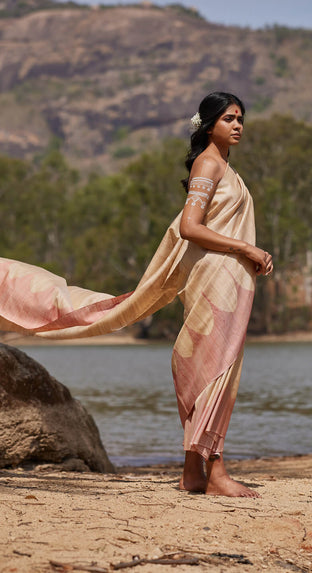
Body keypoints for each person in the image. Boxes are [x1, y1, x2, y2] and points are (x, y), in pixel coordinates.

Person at [0, 92, 273, 498]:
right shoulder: (209, 164)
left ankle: (192, 475)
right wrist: (245, 248)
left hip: (230, 281)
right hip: (214, 280)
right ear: (209, 124)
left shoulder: (226, 167)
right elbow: (189, 227)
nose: (238, 125)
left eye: (241, 118)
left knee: (215, 370)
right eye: (230, 118)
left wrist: (247, 254)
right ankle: (215, 474)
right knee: (213, 371)